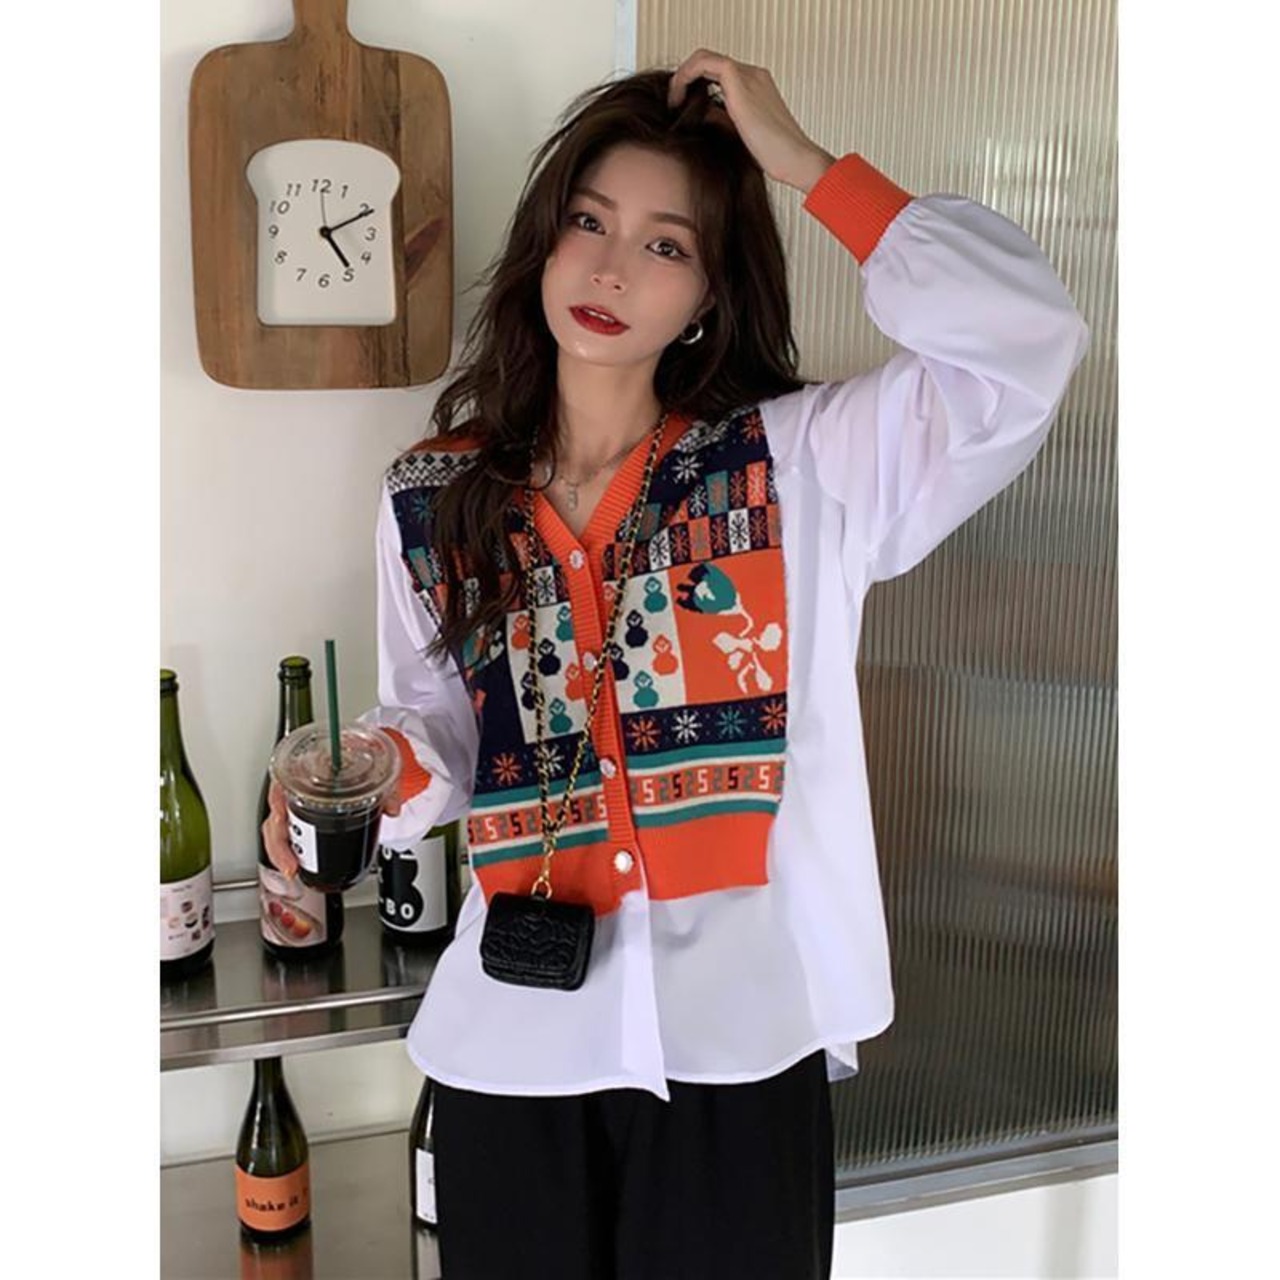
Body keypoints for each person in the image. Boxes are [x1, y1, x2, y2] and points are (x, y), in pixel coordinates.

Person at [264, 48, 1089, 1280]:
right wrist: (375, 765)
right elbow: (439, 730)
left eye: (665, 244)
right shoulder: (433, 497)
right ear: (543, 243)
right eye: (588, 223)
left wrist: (804, 165)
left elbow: (1024, 341)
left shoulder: (800, 466)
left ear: (707, 292)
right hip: (512, 1047)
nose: (609, 268)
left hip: (741, 1049)